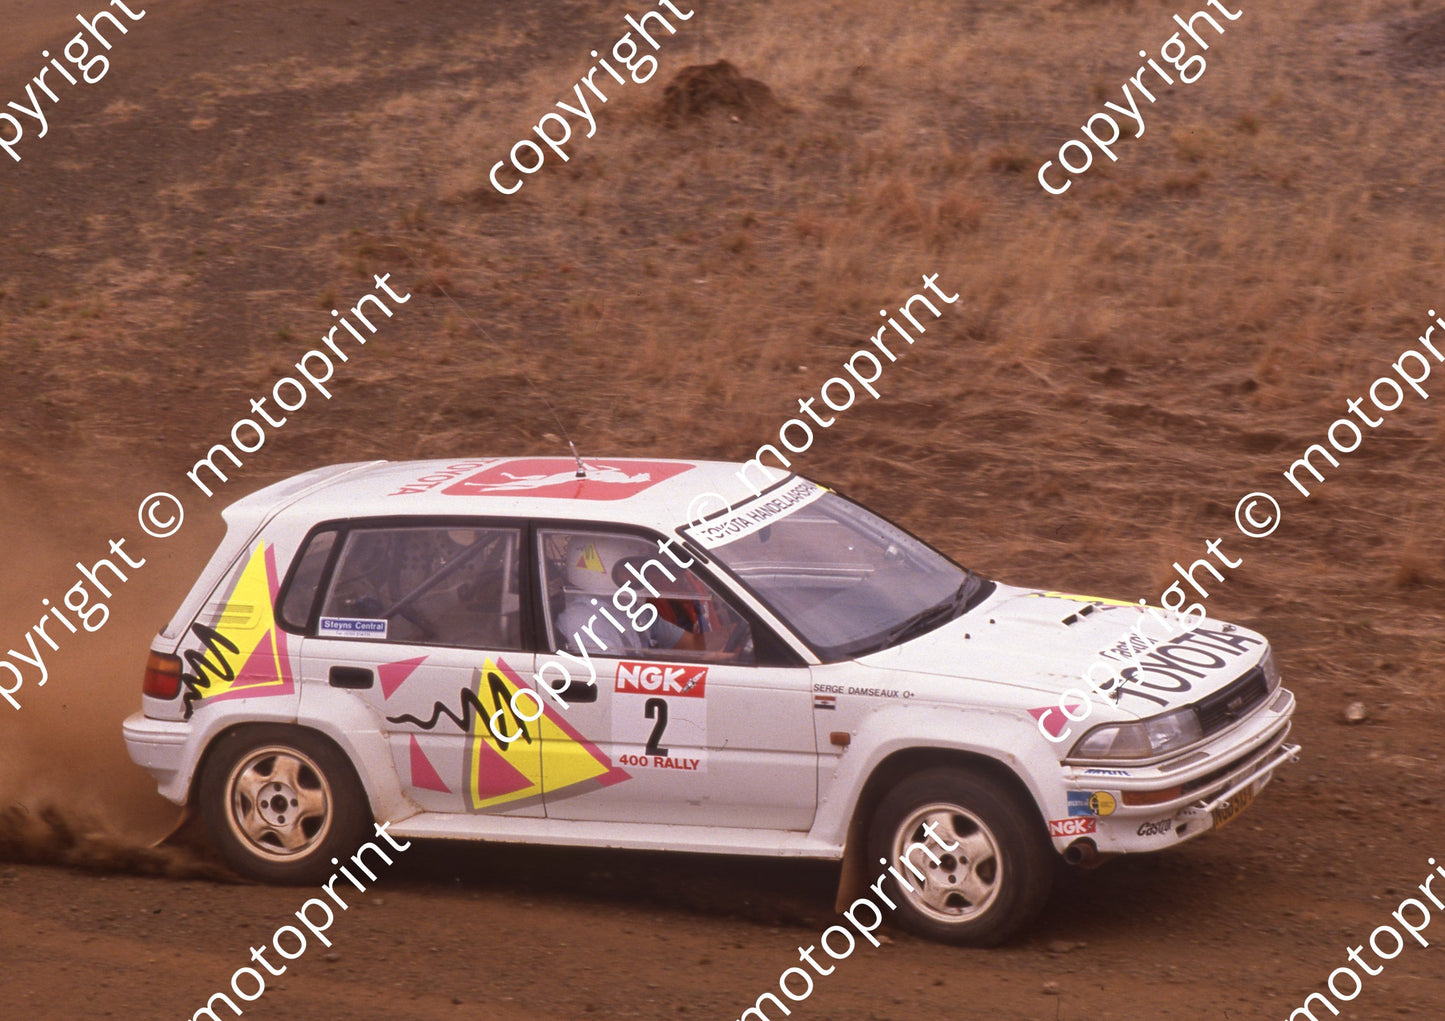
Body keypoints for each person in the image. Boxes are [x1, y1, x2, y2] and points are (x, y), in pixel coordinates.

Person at [552, 534, 746, 657]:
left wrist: (738, 632)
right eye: (633, 568)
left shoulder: (625, 606)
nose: (642, 575)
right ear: (598, 572)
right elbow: (614, 675)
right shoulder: (583, 621)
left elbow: (693, 644)